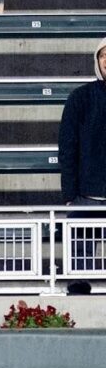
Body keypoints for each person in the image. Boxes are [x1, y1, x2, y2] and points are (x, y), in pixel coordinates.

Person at [58, 38, 106, 294]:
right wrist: (69, 195)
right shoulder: (80, 97)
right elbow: (68, 148)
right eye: (103, 55)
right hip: (86, 196)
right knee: (77, 273)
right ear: (97, 61)